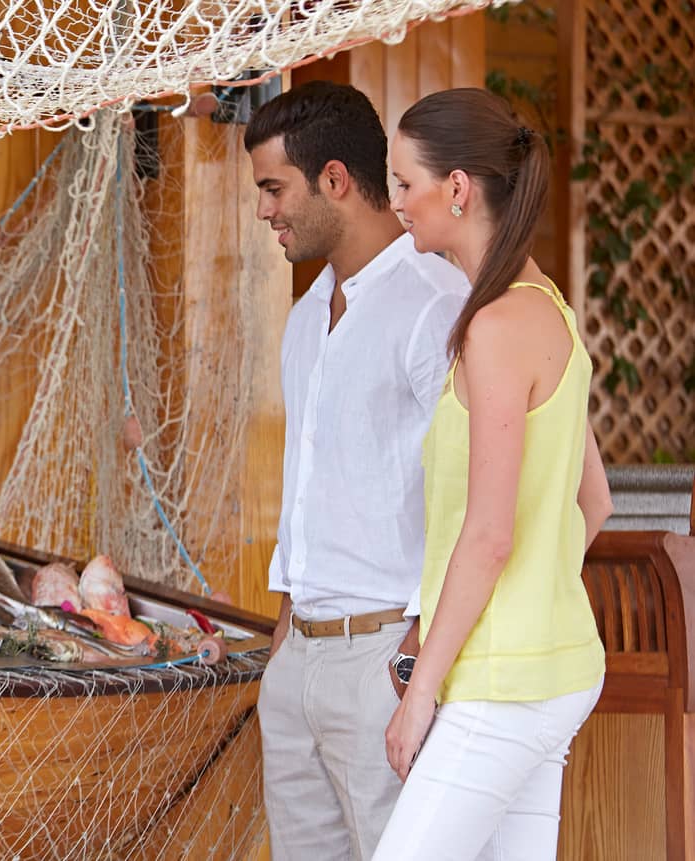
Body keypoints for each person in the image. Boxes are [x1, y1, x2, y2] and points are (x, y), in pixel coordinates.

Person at [374, 88, 611, 860]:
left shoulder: (497, 326)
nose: (396, 201)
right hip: (548, 667)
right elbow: (594, 501)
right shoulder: (546, 311)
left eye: (405, 182)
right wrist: (533, 600)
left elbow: (487, 536)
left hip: (506, 684)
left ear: (458, 188)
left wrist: (420, 692)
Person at [244, 80, 470, 859]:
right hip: (298, 660)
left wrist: (414, 657)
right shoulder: (306, 317)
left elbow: (473, 495)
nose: (265, 210)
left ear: (334, 179)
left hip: (385, 662)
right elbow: (311, 496)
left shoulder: (434, 300)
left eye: (274, 189)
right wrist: (284, 645)